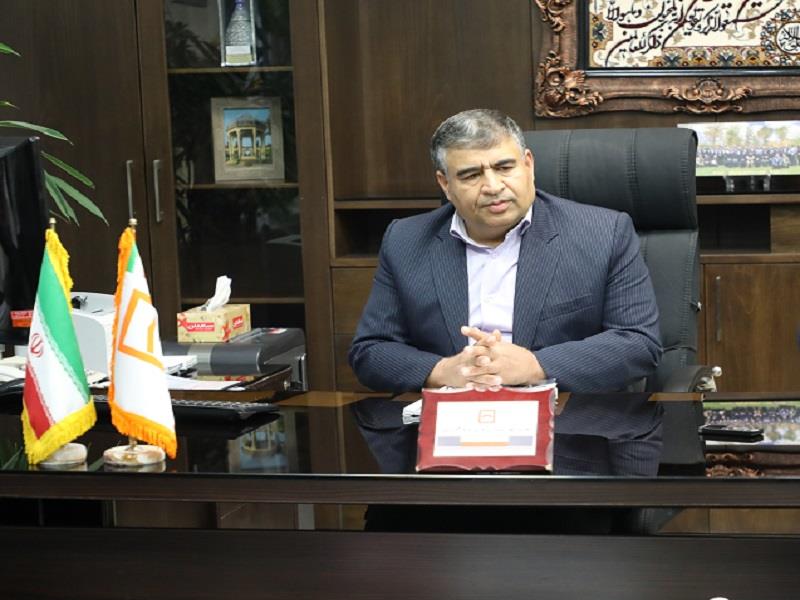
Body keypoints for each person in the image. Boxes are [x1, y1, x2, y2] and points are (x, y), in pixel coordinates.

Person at [349, 108, 662, 398]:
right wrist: (444, 371)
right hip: (451, 421)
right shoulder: (406, 240)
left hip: (567, 421)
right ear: (445, 184)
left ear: (528, 164)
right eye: (471, 175)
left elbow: (639, 343)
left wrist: (535, 366)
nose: (493, 186)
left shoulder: (603, 233)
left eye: (504, 167)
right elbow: (371, 350)